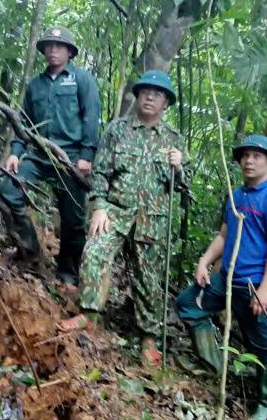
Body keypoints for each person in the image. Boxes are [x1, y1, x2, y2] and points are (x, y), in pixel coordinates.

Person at [60, 70, 188, 367]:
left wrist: (179, 168)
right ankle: (88, 314)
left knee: (150, 279)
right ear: (138, 96)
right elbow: (100, 173)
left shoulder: (173, 139)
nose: (150, 97)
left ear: (166, 102)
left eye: (157, 94)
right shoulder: (117, 130)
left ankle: (149, 338)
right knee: (94, 251)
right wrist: (100, 207)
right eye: (145, 91)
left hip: (151, 219)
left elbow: (183, 185)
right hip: (115, 210)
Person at [177, 135, 267, 420]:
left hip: (255, 287)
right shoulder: (236, 195)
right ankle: (217, 366)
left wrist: (265, 290)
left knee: (265, 346)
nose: (249, 160)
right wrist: (204, 261)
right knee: (188, 304)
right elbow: (224, 236)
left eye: (257, 156)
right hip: (226, 280)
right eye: (245, 156)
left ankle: (265, 403)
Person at [0, 26, 100, 286]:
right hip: (40, 156)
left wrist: (86, 155)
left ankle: (68, 274)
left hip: (71, 158)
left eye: (59, 46)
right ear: (43, 51)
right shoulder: (35, 85)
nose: (53, 50)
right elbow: (24, 123)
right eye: (49, 46)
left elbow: (91, 119)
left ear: (69, 51)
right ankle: (31, 251)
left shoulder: (82, 80)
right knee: (6, 187)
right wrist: (16, 153)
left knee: (73, 221)